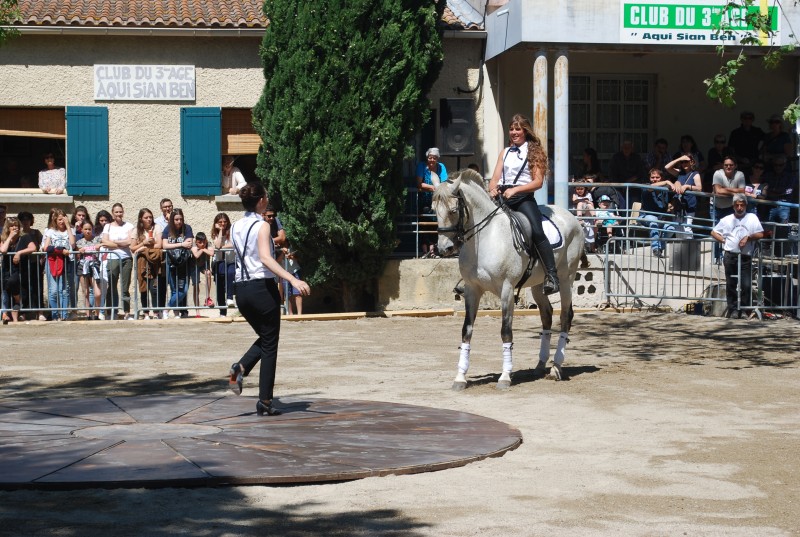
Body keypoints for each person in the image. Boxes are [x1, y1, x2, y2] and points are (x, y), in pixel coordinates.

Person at [227, 182, 311, 416]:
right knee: (270, 344)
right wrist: (292, 280)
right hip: (262, 289)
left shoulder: (235, 227)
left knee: (266, 338)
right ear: (261, 201)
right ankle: (264, 401)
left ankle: (240, 368)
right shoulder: (262, 226)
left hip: (241, 291)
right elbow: (265, 258)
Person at [487, 114, 559, 294]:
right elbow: (494, 178)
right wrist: (493, 189)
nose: (514, 132)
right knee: (481, 227)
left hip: (523, 199)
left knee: (536, 231)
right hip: (502, 198)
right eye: (511, 129)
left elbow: (538, 182)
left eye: (517, 129)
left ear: (525, 131)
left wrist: (516, 190)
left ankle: (552, 276)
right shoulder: (505, 152)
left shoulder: (534, 151)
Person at [710, 194, 764, 319]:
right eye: (737, 205)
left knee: (746, 284)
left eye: (742, 205)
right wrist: (724, 241)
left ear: (745, 205)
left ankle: (744, 310)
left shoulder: (752, 217)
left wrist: (748, 237)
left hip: (745, 256)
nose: (739, 208)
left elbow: (760, 234)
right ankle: (733, 309)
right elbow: (713, 232)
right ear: (733, 206)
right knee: (731, 283)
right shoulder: (726, 219)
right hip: (730, 255)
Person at [101, 203, 135, 320]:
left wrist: (114, 243)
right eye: (116, 212)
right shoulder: (108, 226)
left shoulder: (129, 226)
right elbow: (105, 242)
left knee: (125, 288)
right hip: (112, 258)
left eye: (120, 212)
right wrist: (122, 243)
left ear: (123, 212)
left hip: (126, 258)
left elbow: (130, 242)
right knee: (112, 286)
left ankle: (126, 312)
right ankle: (111, 312)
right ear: (112, 213)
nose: (119, 214)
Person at [41, 208, 76, 321]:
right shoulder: (50, 231)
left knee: (64, 290)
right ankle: (55, 315)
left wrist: (68, 226)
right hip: (53, 262)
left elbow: (72, 244)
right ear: (55, 220)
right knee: (54, 290)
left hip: (66, 262)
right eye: (59, 219)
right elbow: (46, 247)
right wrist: (60, 250)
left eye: (63, 219)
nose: (61, 222)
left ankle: (64, 315)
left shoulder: (71, 230)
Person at [711, 156, 746, 262]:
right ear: (723, 166)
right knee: (716, 232)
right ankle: (717, 257)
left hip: (730, 208)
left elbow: (742, 190)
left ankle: (730, 255)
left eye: (731, 165)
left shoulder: (740, 174)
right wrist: (735, 191)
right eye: (726, 165)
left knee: (731, 232)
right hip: (716, 207)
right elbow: (718, 191)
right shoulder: (718, 173)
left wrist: (724, 189)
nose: (728, 167)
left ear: (735, 166)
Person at [161, 208, 194, 318]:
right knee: (174, 289)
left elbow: (189, 243)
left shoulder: (187, 228)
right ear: (172, 220)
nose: (179, 221)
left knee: (183, 290)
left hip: (184, 263)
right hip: (171, 263)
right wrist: (181, 244)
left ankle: (167, 308)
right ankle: (175, 312)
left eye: (181, 219)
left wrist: (182, 244)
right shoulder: (167, 229)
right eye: (176, 219)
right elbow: (164, 245)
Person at [416, 147, 448, 258]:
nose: (432, 160)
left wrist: (438, 188)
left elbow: (444, 182)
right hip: (424, 200)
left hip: (437, 201)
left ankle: (433, 251)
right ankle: (425, 251)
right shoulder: (422, 166)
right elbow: (419, 184)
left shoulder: (441, 167)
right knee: (425, 224)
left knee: (436, 224)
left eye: (434, 158)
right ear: (427, 157)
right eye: (430, 157)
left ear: (437, 158)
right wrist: (434, 187)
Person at [130, 208, 161, 320]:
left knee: (154, 288)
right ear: (141, 219)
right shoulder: (136, 230)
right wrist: (143, 243)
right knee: (143, 288)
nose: (149, 219)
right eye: (146, 217)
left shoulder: (156, 227)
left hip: (154, 261)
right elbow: (132, 248)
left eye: (150, 217)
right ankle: (146, 312)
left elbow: (160, 244)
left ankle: (156, 312)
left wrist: (146, 247)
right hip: (141, 262)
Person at [638, 168, 678, 258]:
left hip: (660, 218)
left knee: (672, 228)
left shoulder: (665, 188)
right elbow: (651, 188)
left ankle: (660, 248)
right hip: (645, 217)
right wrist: (667, 181)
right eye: (652, 177)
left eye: (657, 177)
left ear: (661, 178)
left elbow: (676, 192)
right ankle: (655, 248)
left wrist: (672, 203)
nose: (654, 179)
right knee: (653, 220)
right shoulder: (646, 186)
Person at [16, 212, 45, 321]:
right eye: (23, 219)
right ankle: (23, 312)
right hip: (22, 264)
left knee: (38, 287)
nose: (25, 221)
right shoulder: (18, 234)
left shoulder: (36, 233)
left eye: (27, 219)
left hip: (35, 264)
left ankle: (40, 312)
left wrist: (43, 258)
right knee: (23, 288)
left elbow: (42, 246)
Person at [665, 153, 702, 233]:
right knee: (677, 228)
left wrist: (687, 186)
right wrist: (679, 159)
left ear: (692, 162)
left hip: (689, 204)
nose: (684, 163)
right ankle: (680, 246)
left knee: (687, 228)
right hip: (678, 204)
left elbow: (699, 188)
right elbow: (667, 167)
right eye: (682, 162)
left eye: (686, 161)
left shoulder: (695, 174)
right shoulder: (680, 172)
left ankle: (690, 245)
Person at [75, 221, 102, 320]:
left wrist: (100, 245)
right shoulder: (79, 242)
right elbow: (74, 250)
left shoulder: (97, 239)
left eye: (89, 229)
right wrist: (79, 251)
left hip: (95, 266)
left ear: (92, 230)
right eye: (85, 229)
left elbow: (108, 243)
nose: (87, 231)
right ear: (82, 230)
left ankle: (97, 314)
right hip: (83, 267)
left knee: (97, 293)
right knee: (85, 291)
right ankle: (88, 314)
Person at [211, 212, 236, 316]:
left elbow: (233, 244)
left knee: (231, 273)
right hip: (219, 262)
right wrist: (221, 231)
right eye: (220, 222)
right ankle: (222, 312)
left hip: (231, 261)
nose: (223, 224)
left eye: (225, 222)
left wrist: (222, 247)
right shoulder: (215, 233)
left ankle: (230, 297)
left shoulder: (232, 231)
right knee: (220, 287)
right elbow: (217, 245)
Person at [607, 140, 646, 205]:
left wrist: (629, 181)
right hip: (619, 186)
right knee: (621, 204)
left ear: (632, 148)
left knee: (634, 205)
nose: (626, 150)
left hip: (634, 186)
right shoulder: (616, 157)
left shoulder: (636, 157)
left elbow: (640, 172)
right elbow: (612, 172)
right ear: (622, 148)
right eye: (625, 148)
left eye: (628, 148)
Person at [760, 155, 795, 224]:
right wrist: (780, 192)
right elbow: (763, 190)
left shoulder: (790, 177)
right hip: (770, 206)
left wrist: (772, 191)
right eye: (775, 165)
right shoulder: (768, 175)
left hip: (784, 206)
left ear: (785, 165)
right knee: (769, 229)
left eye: (780, 165)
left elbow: (789, 191)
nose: (778, 167)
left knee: (783, 229)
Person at [1, 217, 22, 323]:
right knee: (5, 290)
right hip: (6, 268)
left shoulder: (23, 238)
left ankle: (16, 310)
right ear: (7, 228)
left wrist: (19, 253)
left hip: (19, 269)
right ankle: (5, 314)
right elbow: (3, 250)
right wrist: (10, 237)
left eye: (16, 225)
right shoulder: (4, 238)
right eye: (12, 225)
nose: (14, 228)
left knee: (13, 284)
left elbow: (33, 247)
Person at [191, 231, 214, 316]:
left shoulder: (209, 244)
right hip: (194, 266)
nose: (202, 244)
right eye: (200, 242)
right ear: (196, 242)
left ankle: (207, 298)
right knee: (196, 287)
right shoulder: (193, 245)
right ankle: (197, 310)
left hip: (204, 264)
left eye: (204, 242)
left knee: (208, 273)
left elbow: (211, 253)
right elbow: (196, 255)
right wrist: (203, 249)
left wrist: (203, 248)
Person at [571, 180, 596, 252]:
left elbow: (591, 203)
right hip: (578, 211)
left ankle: (595, 217)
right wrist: (583, 200)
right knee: (580, 204)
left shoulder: (588, 194)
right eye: (577, 189)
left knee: (589, 205)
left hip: (587, 211)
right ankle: (580, 219)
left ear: (585, 189)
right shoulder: (575, 194)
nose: (579, 191)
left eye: (581, 189)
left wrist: (588, 201)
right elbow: (574, 201)